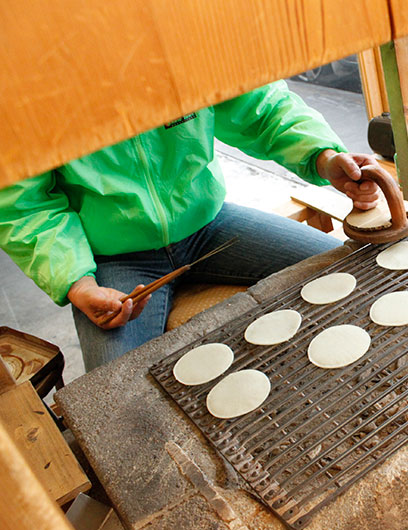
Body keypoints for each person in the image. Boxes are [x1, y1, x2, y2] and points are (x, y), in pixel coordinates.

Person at [0, 80, 382, 371]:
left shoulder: (181, 44)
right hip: (113, 259)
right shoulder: (31, 84)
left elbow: (261, 107)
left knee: (346, 272)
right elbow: (22, 206)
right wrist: (78, 283)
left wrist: (324, 157)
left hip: (210, 226)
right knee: (114, 391)